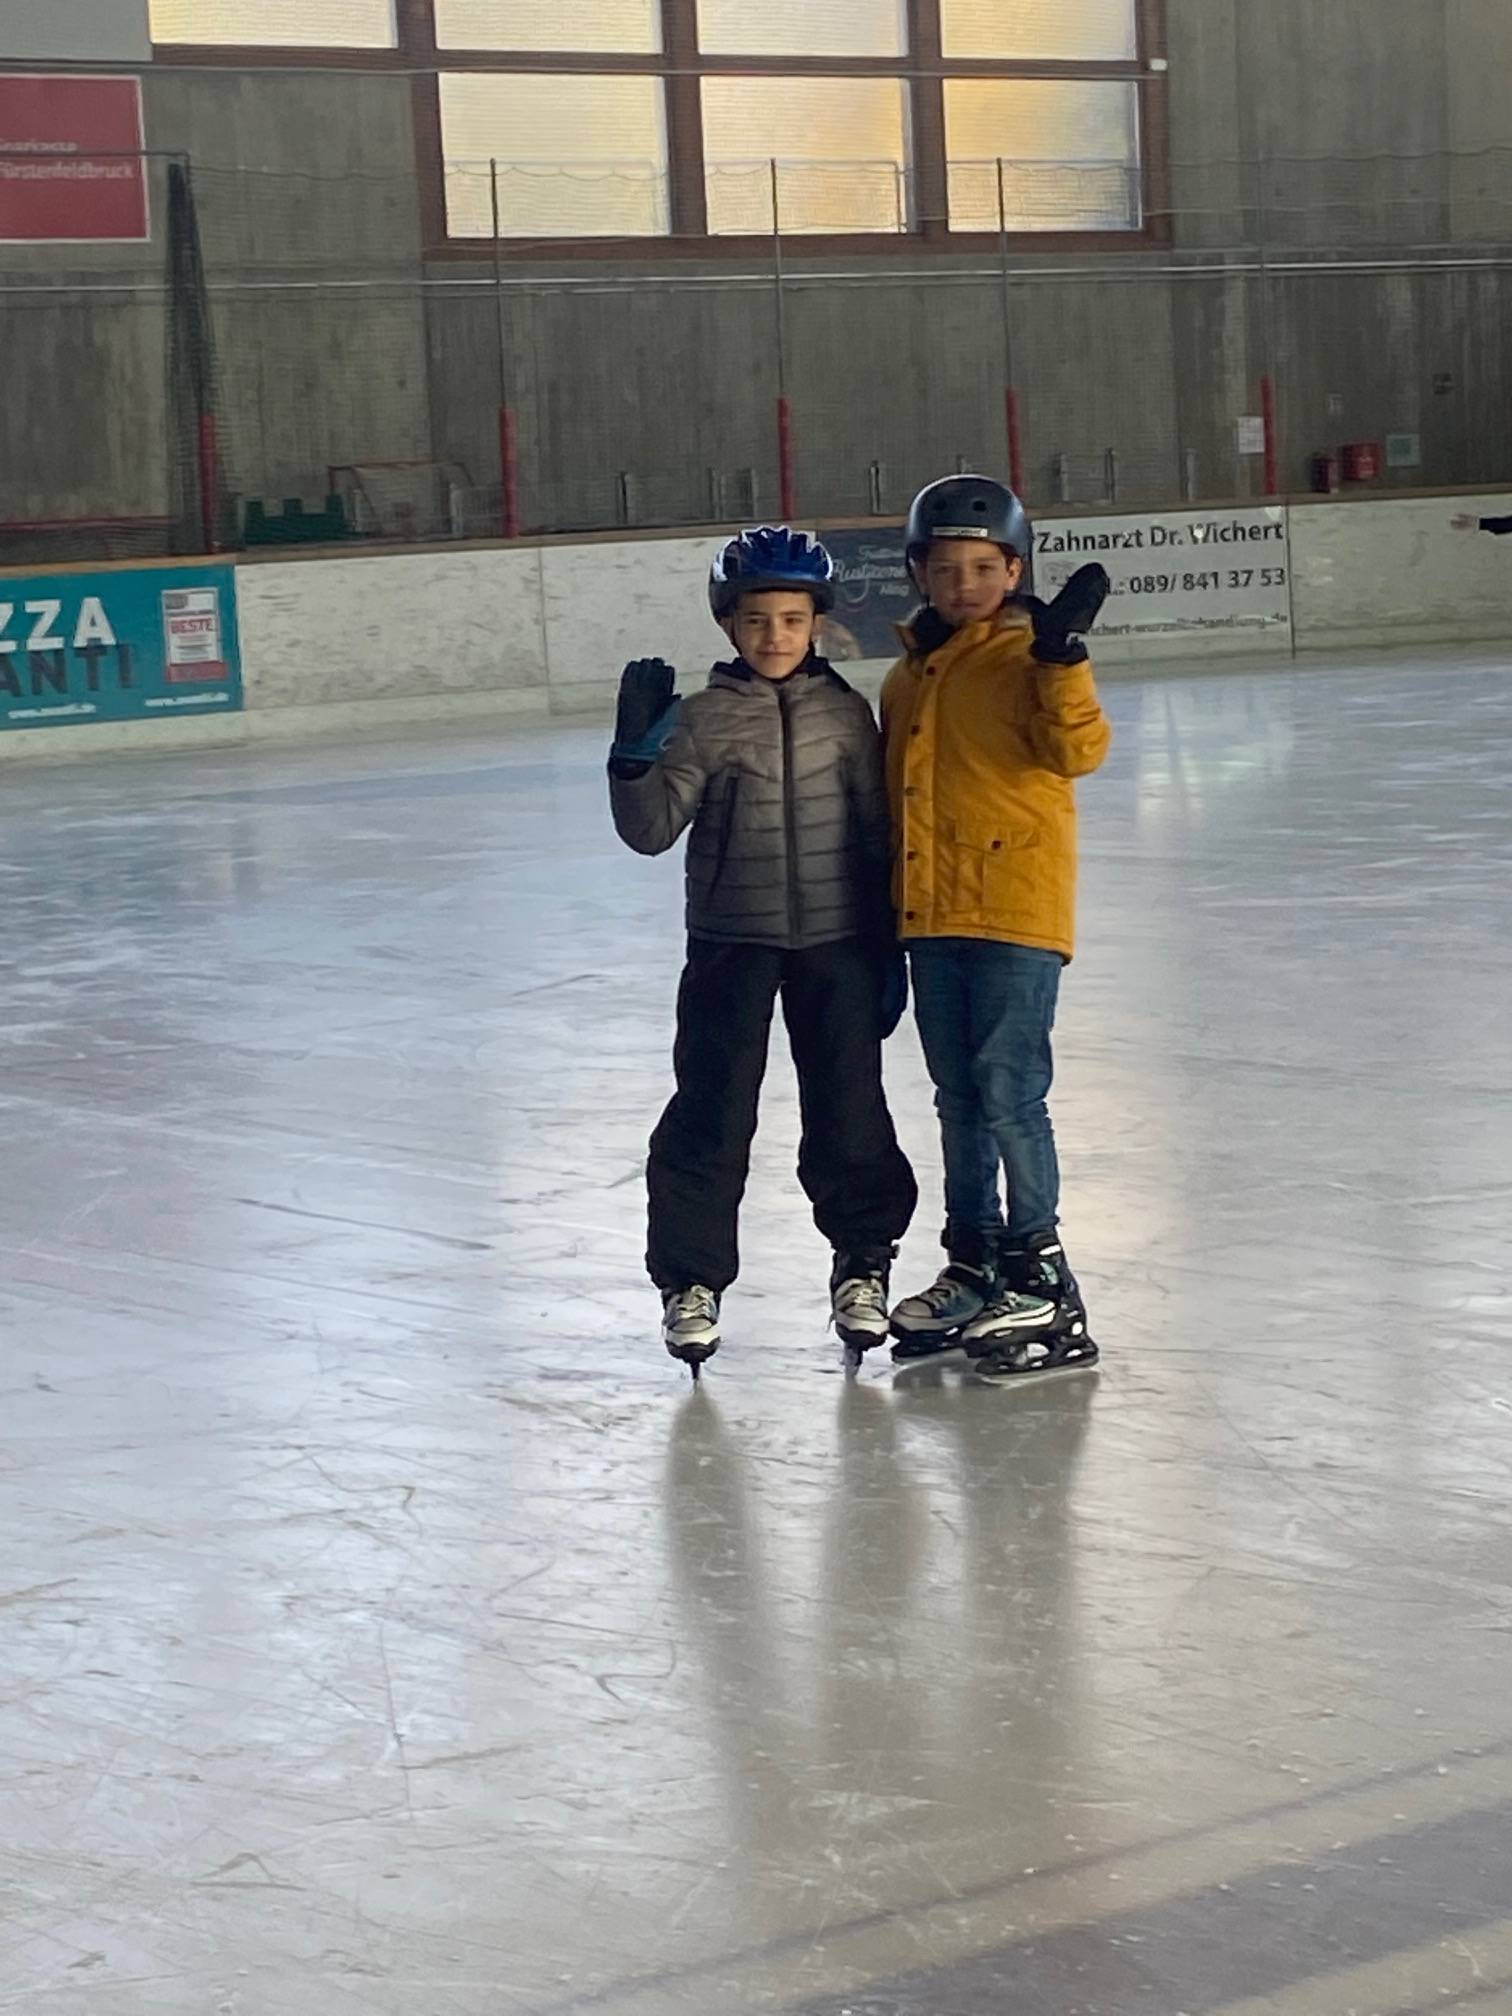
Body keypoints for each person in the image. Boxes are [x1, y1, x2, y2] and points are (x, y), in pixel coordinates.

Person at [609, 526, 916, 1376]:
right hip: (729, 945)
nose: (774, 636)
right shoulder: (704, 719)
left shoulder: (846, 715)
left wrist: (887, 944)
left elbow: (876, 832)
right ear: (728, 625)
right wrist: (633, 761)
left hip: (837, 942)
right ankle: (691, 1281)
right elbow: (650, 832)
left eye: (790, 619)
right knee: (711, 1114)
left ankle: (863, 1260)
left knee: (850, 1109)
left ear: (817, 622)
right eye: (755, 620)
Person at [879, 475, 1112, 1383]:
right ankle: (974, 1262)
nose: (965, 585)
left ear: (1015, 571)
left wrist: (1063, 658)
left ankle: (1043, 1276)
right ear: (919, 573)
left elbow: (1079, 750)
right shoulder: (908, 675)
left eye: (983, 568)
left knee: (1010, 1092)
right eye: (946, 569)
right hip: (933, 915)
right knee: (958, 1097)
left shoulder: (1029, 658)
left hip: (1014, 907)